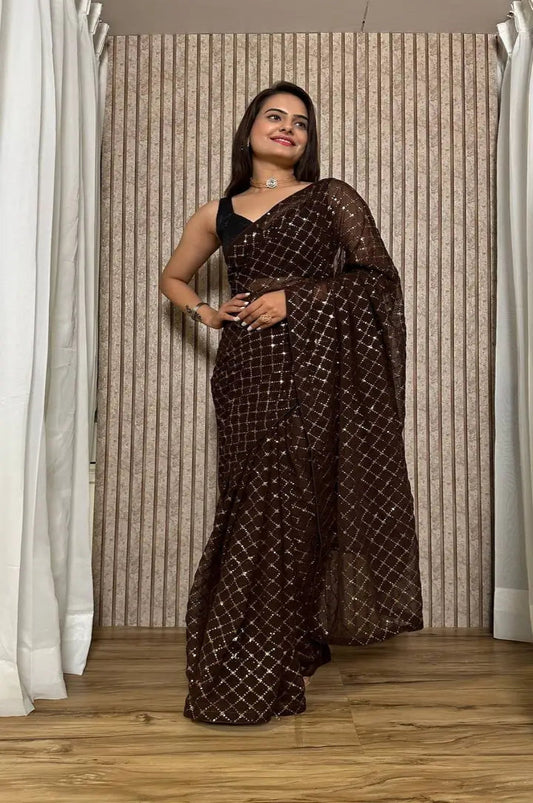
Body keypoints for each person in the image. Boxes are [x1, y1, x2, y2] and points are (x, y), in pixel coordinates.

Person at [159, 80, 424, 726]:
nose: (287, 128)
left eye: (299, 122)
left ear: (307, 140)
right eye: (274, 116)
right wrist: (206, 313)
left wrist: (293, 300)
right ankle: (243, 653)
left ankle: (277, 651)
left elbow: (377, 280)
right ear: (249, 129)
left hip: (316, 370)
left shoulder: (330, 196)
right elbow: (173, 277)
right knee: (247, 503)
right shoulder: (217, 212)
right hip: (246, 372)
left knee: (297, 507)